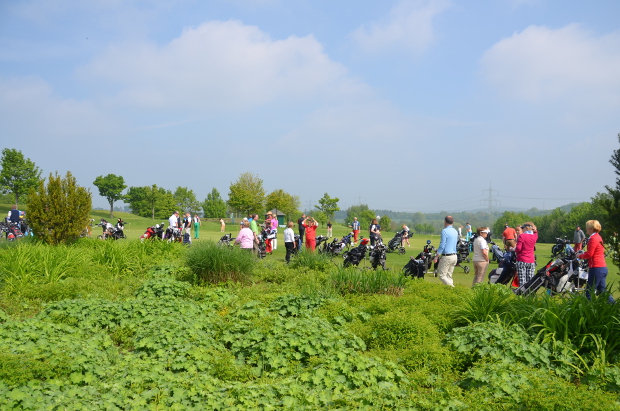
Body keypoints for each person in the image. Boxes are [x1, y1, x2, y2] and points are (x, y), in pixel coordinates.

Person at [577, 220, 614, 303]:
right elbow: (593, 252)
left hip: (596, 268)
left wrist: (580, 256)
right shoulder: (598, 237)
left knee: (589, 292)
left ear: (591, 229)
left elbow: (590, 254)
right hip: (602, 268)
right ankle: (614, 307)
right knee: (602, 291)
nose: (586, 228)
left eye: (587, 227)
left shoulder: (593, 239)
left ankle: (589, 311)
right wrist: (584, 253)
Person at [433, 216, 459, 287]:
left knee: (442, 276)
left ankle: (452, 288)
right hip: (454, 256)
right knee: (448, 275)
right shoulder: (455, 231)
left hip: (447, 256)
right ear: (452, 222)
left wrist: (437, 256)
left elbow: (442, 244)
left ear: (445, 222)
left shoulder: (444, 231)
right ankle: (450, 291)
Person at [515, 222, 538, 286]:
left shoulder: (522, 236)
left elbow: (518, 248)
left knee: (522, 280)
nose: (522, 229)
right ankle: (529, 294)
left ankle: (522, 294)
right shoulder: (534, 237)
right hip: (531, 261)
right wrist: (535, 230)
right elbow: (536, 233)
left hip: (522, 259)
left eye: (523, 228)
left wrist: (514, 249)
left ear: (526, 228)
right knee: (530, 280)